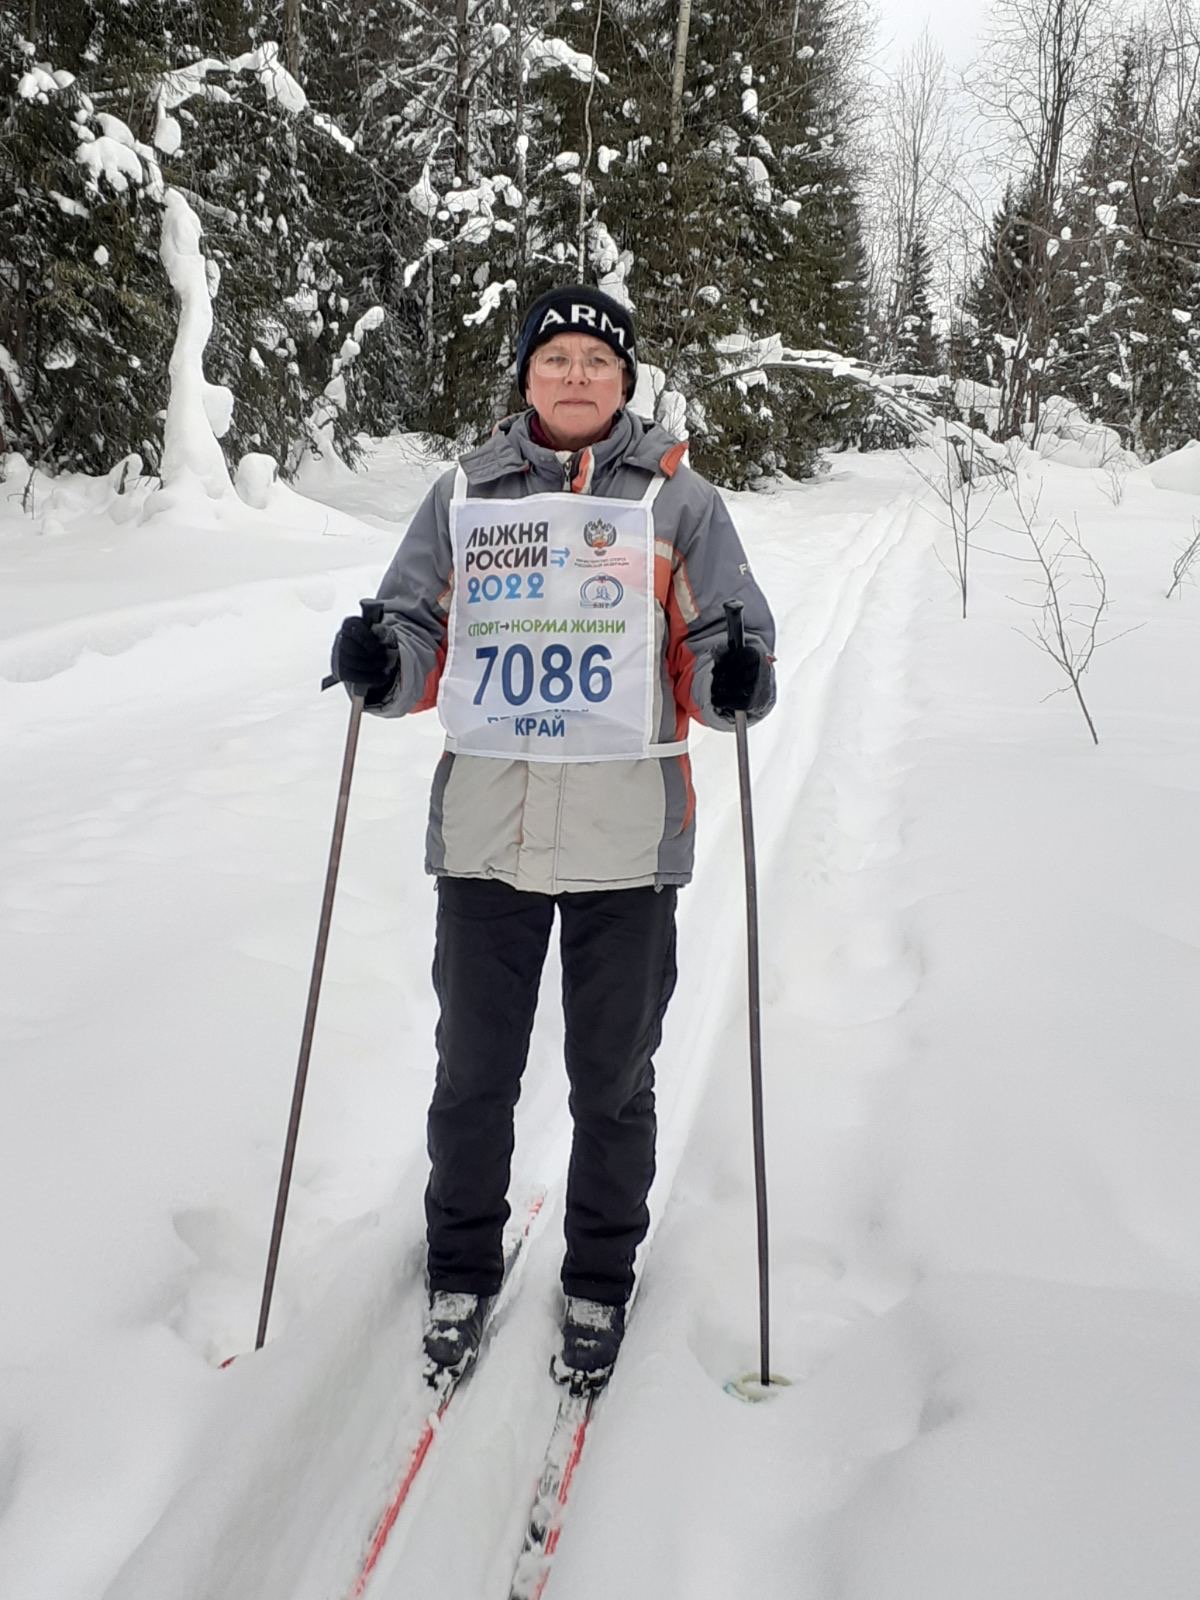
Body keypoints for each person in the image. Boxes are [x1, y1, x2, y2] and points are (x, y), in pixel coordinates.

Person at [330, 284, 776, 1386]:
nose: (576, 375)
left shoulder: (680, 502)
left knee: (611, 1080)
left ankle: (599, 1277)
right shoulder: (464, 494)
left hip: (626, 845)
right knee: (472, 1073)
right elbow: (416, 626)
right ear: (526, 375)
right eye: (556, 358)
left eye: (597, 360)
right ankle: (460, 1264)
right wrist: (382, 662)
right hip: (489, 834)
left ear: (626, 380)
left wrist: (732, 675)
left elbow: (723, 644)